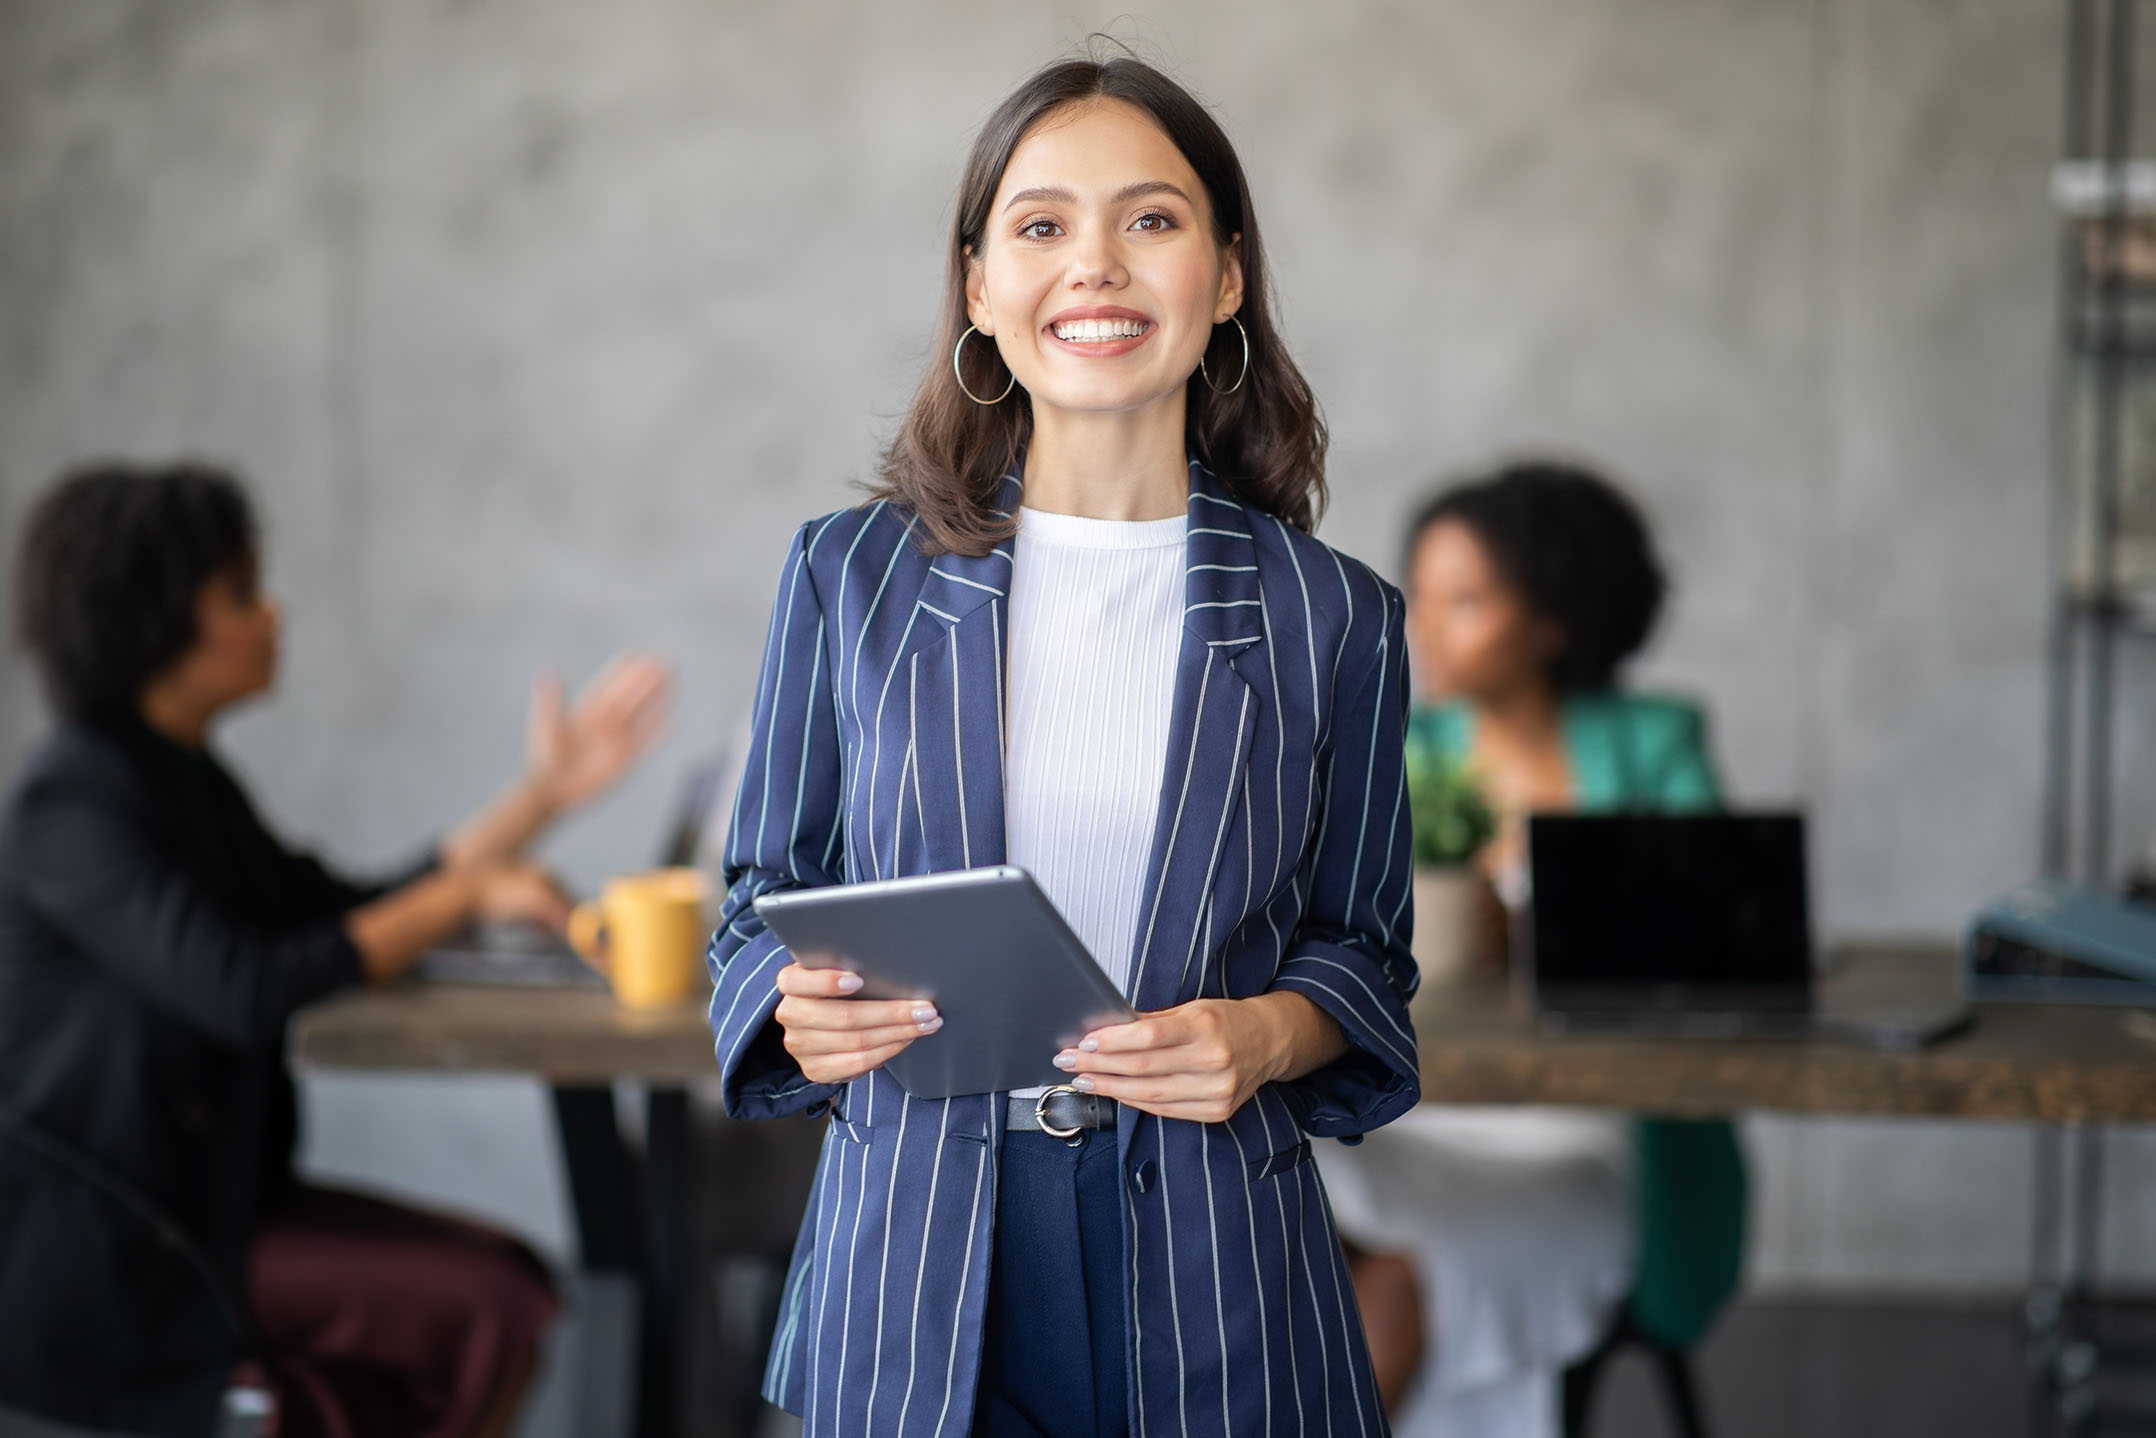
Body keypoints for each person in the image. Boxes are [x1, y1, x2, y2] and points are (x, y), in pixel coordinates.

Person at [706, 55, 1418, 1438]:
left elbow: (1364, 943)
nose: (1095, 265)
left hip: (1218, 1255)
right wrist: (794, 998)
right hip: (917, 1253)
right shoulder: (849, 576)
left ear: (1225, 278)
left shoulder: (1337, 616)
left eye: (1150, 221)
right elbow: (753, 900)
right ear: (978, 286)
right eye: (1041, 227)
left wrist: (1271, 1032)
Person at [0, 462, 672, 1438]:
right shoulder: (73, 800)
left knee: (512, 1286)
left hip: (213, 1206)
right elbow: (246, 986)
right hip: (124, 1248)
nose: (273, 614)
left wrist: (545, 796)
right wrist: (469, 894)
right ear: (156, 621)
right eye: (239, 593)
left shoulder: (183, 781)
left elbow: (350, 908)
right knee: (491, 1300)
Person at [1317, 460, 1746, 1437]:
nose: (1423, 626)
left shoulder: (1652, 742)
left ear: (1552, 619)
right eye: (1417, 595)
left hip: (1588, 1128)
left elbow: (1715, 931)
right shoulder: (1397, 748)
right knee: (1299, 1226)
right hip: (1423, 1115)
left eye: (1463, 600)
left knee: (1389, 1287)